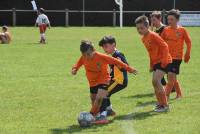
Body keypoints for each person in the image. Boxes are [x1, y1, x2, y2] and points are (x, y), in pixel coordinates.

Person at [72, 40, 137, 124]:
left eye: (88, 54)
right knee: (93, 98)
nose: (86, 56)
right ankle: (96, 115)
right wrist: (75, 69)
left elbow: (116, 61)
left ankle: (99, 116)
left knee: (99, 99)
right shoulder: (83, 57)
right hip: (92, 81)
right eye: (84, 55)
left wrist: (129, 68)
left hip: (104, 80)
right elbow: (78, 63)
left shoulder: (101, 56)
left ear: (93, 50)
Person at [135, 15, 172, 112]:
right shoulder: (143, 39)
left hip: (164, 60)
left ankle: (165, 105)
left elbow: (165, 46)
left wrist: (164, 60)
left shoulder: (153, 35)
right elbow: (150, 52)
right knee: (154, 82)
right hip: (156, 62)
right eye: (138, 28)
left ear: (147, 27)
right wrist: (151, 65)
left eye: (142, 28)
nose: (139, 30)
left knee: (156, 80)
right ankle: (160, 104)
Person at [98, 36, 134, 117]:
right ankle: (109, 111)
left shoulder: (118, 54)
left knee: (103, 93)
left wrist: (121, 65)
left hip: (119, 80)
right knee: (105, 92)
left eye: (106, 46)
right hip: (116, 80)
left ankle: (103, 115)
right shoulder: (113, 55)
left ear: (113, 44)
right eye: (103, 47)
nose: (105, 49)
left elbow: (126, 66)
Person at [161, 9, 192, 99]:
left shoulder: (182, 30)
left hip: (177, 58)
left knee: (170, 76)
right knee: (172, 77)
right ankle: (179, 94)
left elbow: (189, 42)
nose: (169, 21)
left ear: (177, 20)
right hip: (167, 57)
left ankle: (165, 97)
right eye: (168, 19)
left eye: (172, 19)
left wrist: (187, 54)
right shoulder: (165, 30)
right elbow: (160, 42)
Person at [150, 11, 176, 93]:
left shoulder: (165, 29)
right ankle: (169, 88)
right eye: (151, 20)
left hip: (165, 56)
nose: (152, 22)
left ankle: (169, 90)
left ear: (160, 18)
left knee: (163, 75)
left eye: (154, 20)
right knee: (160, 75)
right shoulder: (156, 30)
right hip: (158, 56)